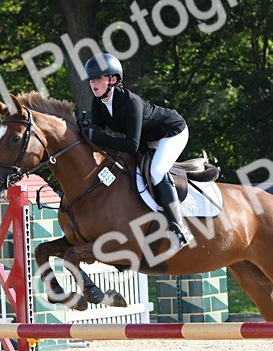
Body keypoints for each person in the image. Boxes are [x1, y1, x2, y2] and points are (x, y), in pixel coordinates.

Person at [81, 53, 194, 251]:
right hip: (146, 138)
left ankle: (179, 229)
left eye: (98, 78)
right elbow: (97, 131)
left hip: (171, 132)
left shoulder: (130, 101)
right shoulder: (98, 101)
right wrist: (83, 129)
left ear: (113, 79)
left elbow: (131, 145)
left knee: (157, 171)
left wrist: (96, 136)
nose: (93, 84)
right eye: (92, 79)